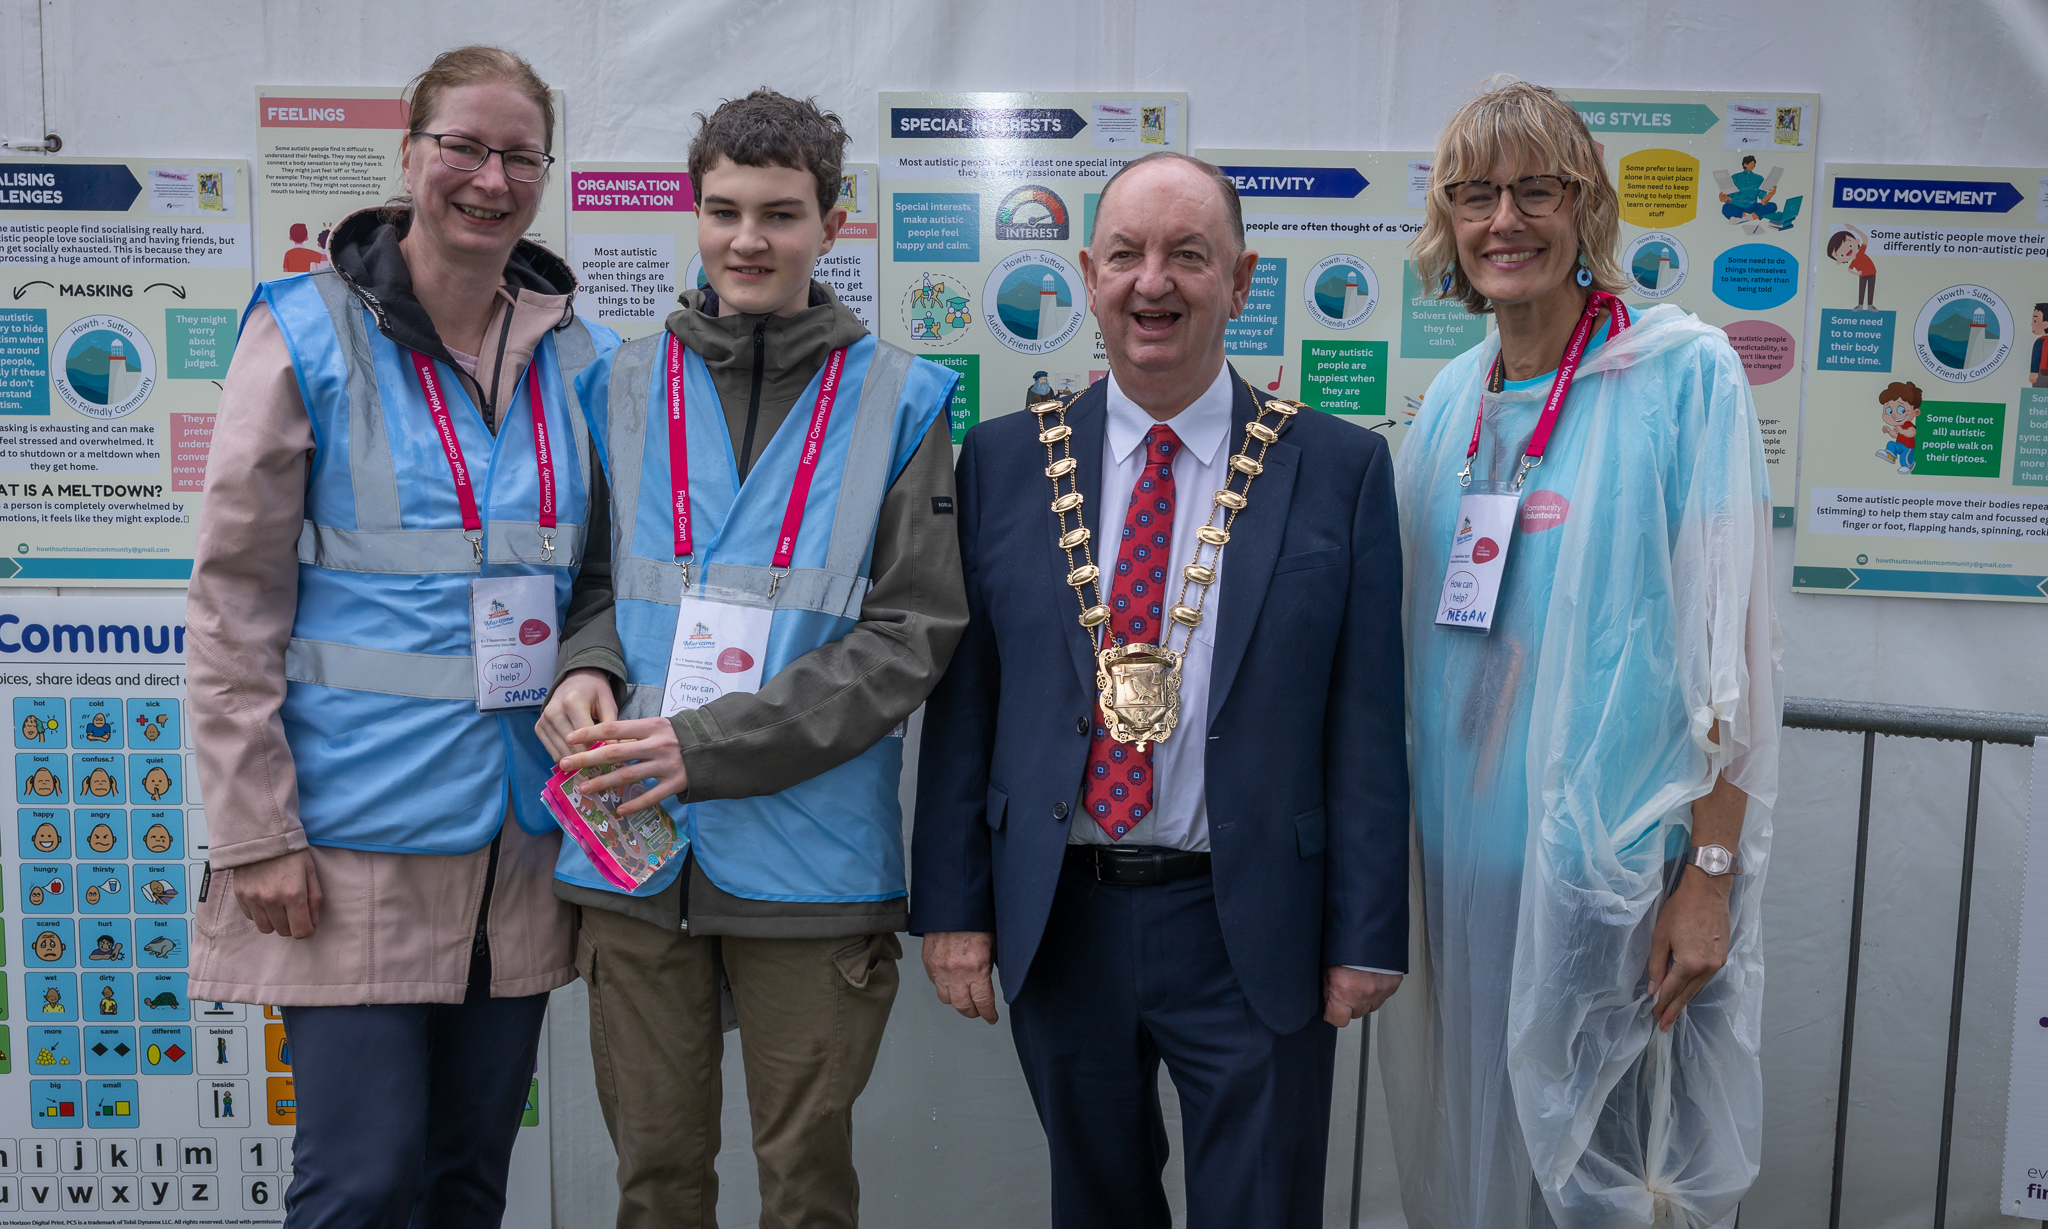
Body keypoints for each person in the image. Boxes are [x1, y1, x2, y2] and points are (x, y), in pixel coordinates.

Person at [913, 150, 1410, 1228]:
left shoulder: (1338, 468)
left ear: (1239, 281)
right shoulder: (1002, 462)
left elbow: (1366, 720)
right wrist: (952, 911)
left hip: (1255, 919)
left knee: (1262, 1207)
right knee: (1095, 1204)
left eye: (1188, 255)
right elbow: (965, 706)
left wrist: (1368, 928)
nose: (1154, 282)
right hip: (1064, 913)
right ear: (1089, 275)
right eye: (1127, 255)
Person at [188, 46, 616, 1229]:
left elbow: (603, 578)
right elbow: (233, 599)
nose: (490, 178)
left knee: (466, 1180)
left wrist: (590, 663)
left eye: (519, 155)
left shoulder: (579, 354)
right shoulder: (303, 332)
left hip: (514, 843)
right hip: (345, 843)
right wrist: (254, 828)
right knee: (362, 1180)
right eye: (463, 147)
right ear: (410, 152)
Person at [534, 89, 966, 1229]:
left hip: (812, 864)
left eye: (779, 214)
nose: (747, 240)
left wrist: (706, 744)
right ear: (694, 212)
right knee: (655, 1184)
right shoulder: (616, 382)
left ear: (832, 222)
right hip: (632, 855)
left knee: (805, 1192)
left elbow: (911, 635)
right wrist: (583, 666)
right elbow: (585, 581)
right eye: (724, 210)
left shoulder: (903, 397)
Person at [1379, 78, 1780, 1229]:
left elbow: (1732, 655)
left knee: (1602, 1184)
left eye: (1533, 190)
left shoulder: (1682, 376)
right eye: (1474, 195)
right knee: (1484, 1174)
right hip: (1463, 878)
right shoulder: (1451, 399)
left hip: (1617, 894)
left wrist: (1707, 879)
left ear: (1584, 207)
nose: (1502, 220)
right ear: (1447, 221)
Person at [1829, 223, 1876, 307]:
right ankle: (1860, 305)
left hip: (1872, 273)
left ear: (1857, 241)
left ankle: (1870, 305)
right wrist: (1856, 273)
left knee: (1871, 289)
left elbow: (1865, 238)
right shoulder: (1853, 262)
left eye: (1850, 245)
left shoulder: (1861, 252)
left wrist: (1854, 229)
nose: (1847, 251)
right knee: (1862, 289)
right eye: (1841, 255)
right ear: (1839, 261)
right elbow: (1849, 269)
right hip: (1862, 275)